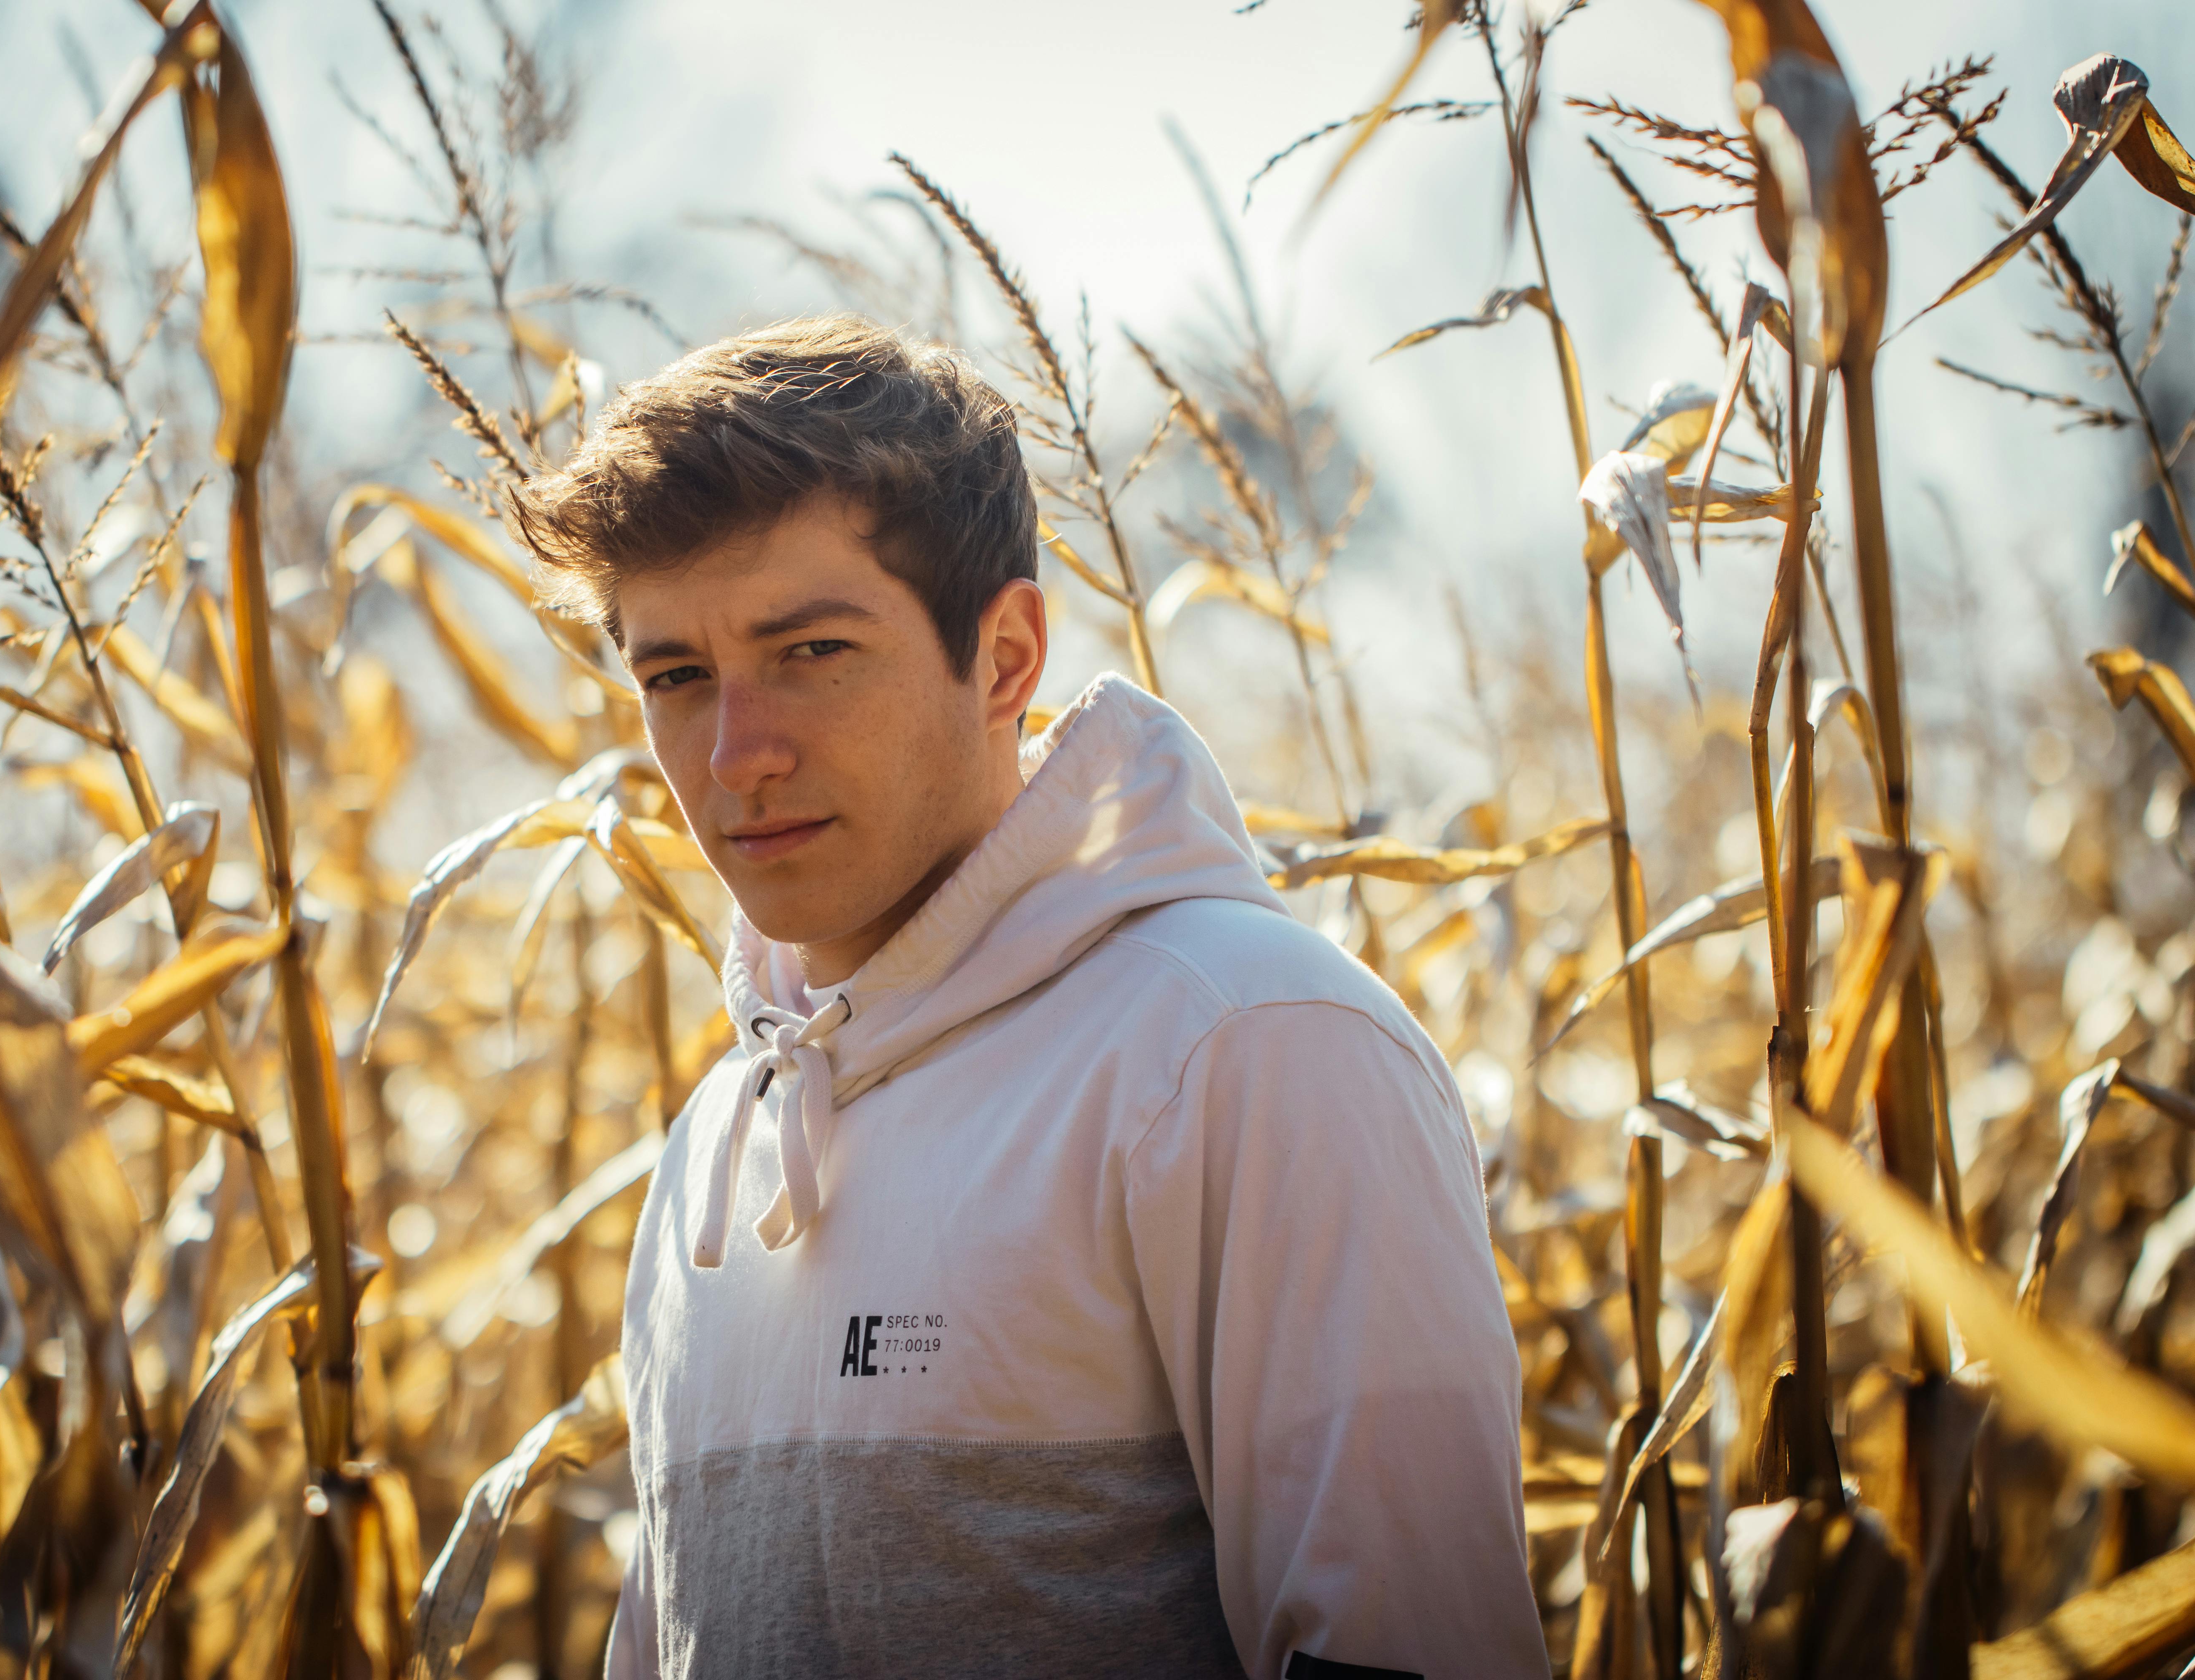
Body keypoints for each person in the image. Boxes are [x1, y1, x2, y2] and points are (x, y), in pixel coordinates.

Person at [515, 314, 1549, 1679]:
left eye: (813, 652)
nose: (738, 754)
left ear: (1004, 659)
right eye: (677, 677)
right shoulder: (719, 1140)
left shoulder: (1245, 1053)